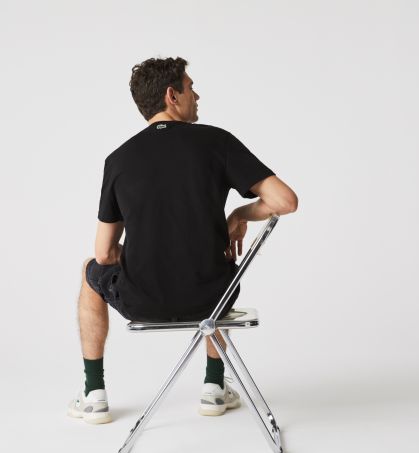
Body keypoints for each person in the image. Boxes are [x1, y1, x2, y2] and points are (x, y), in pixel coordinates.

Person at [67, 57, 298, 424]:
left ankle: (94, 394)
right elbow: (285, 201)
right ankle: (214, 387)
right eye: (191, 88)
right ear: (172, 96)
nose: (197, 95)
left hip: (142, 301)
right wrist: (239, 215)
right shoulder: (216, 142)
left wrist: (145, 253)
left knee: (88, 269)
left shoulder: (119, 159)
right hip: (212, 298)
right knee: (217, 267)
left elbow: (104, 253)